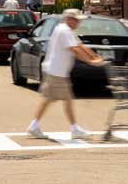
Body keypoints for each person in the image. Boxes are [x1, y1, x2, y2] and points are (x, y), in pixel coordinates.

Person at [27, 9, 104, 140]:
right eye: (77, 20)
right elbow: (74, 50)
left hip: (56, 71)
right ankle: (72, 129)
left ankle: (36, 126)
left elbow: (80, 45)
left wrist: (95, 56)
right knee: (60, 99)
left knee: (52, 99)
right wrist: (91, 61)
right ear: (69, 19)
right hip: (56, 72)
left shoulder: (66, 29)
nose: (79, 23)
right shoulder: (64, 31)